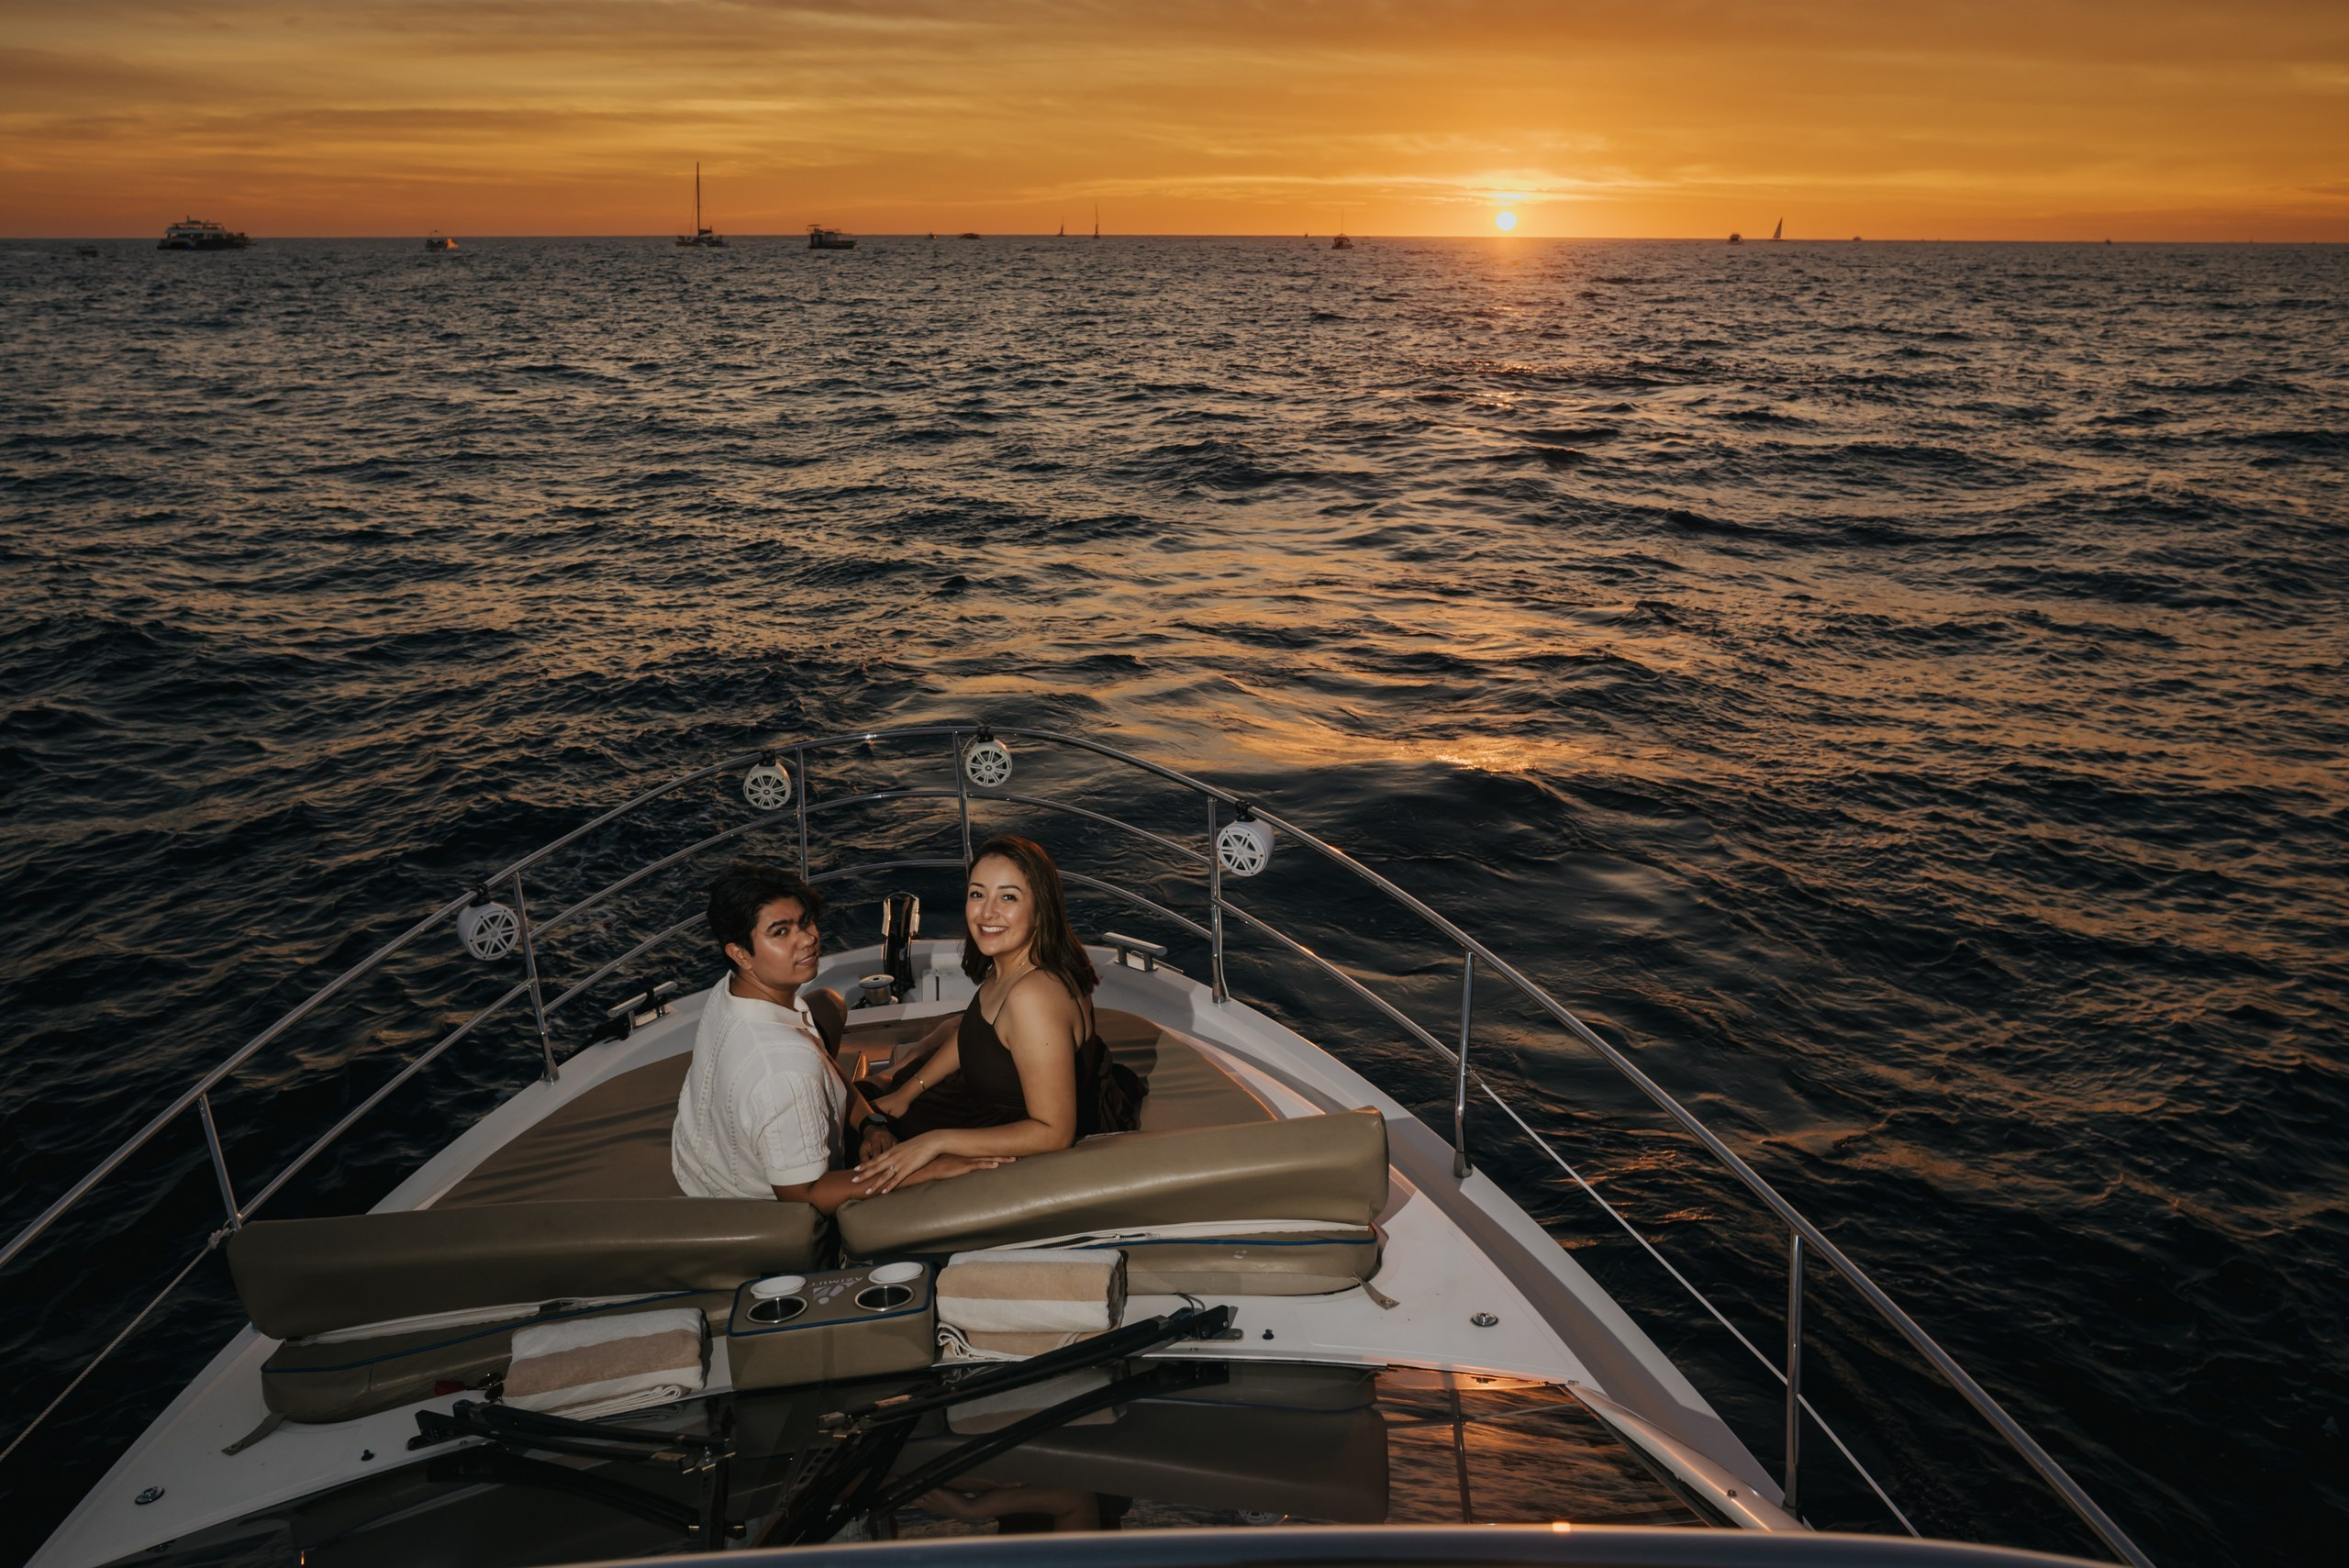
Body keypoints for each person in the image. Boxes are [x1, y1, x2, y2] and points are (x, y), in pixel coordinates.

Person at [673, 861, 1009, 1212]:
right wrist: (928, 1170)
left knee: (827, 1004)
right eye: (780, 932)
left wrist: (869, 1123)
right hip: (761, 1206)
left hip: (705, 1170)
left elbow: (814, 1056)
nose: (808, 939)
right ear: (740, 953)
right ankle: (908, 1063)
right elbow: (805, 1195)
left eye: (804, 922)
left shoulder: (732, 991)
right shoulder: (782, 1069)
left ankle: (902, 1068)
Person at [852, 836, 1142, 1195]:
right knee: (865, 1111)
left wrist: (936, 1143)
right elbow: (974, 1034)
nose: (987, 912)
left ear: (1041, 908)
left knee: (859, 1151)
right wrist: (908, 1092)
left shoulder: (1034, 995)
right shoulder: (1009, 961)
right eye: (977, 894)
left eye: (1008, 897)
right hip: (981, 1100)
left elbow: (1055, 1131)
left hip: (1017, 1132)